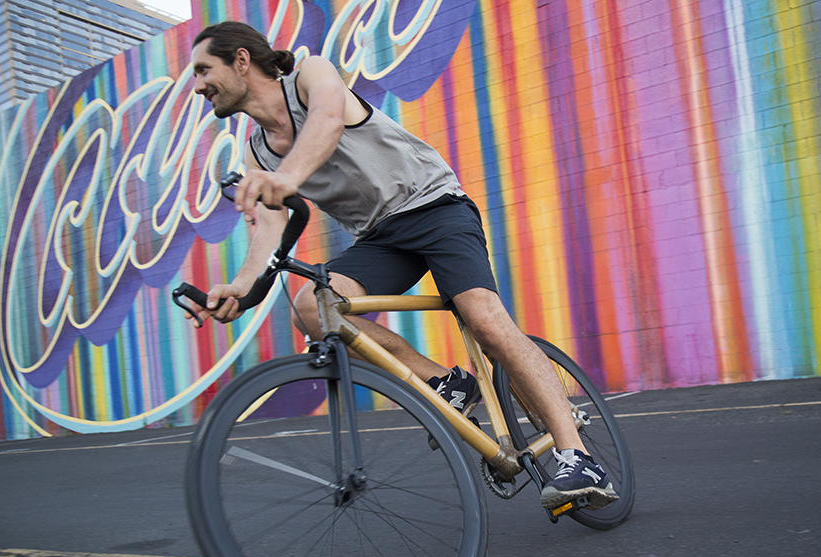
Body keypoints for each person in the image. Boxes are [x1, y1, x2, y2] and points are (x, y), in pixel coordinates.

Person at [186, 21, 617, 511]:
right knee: (314, 309)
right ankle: (445, 382)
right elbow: (267, 230)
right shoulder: (258, 149)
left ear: (241, 61)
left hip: (435, 208)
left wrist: (285, 178)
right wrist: (238, 290)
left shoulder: (310, 76)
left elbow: (327, 121)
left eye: (204, 70)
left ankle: (580, 458)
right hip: (380, 237)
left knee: (484, 320)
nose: (198, 85)